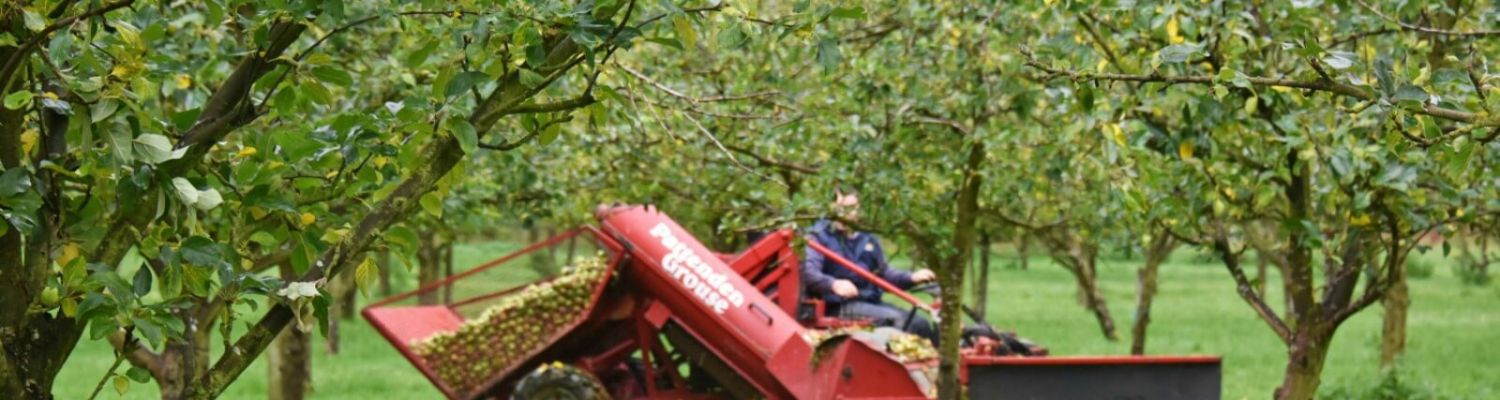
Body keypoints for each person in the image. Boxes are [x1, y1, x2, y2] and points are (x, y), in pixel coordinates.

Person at [802, 187, 939, 343]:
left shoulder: (867, 239)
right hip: (840, 306)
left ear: (859, 210)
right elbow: (808, 271)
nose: (844, 214)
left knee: (922, 324)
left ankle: (936, 366)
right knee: (903, 323)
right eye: (840, 208)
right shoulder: (818, 236)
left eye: (850, 209)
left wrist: (912, 277)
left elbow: (885, 274)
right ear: (831, 207)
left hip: (870, 301)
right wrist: (833, 284)